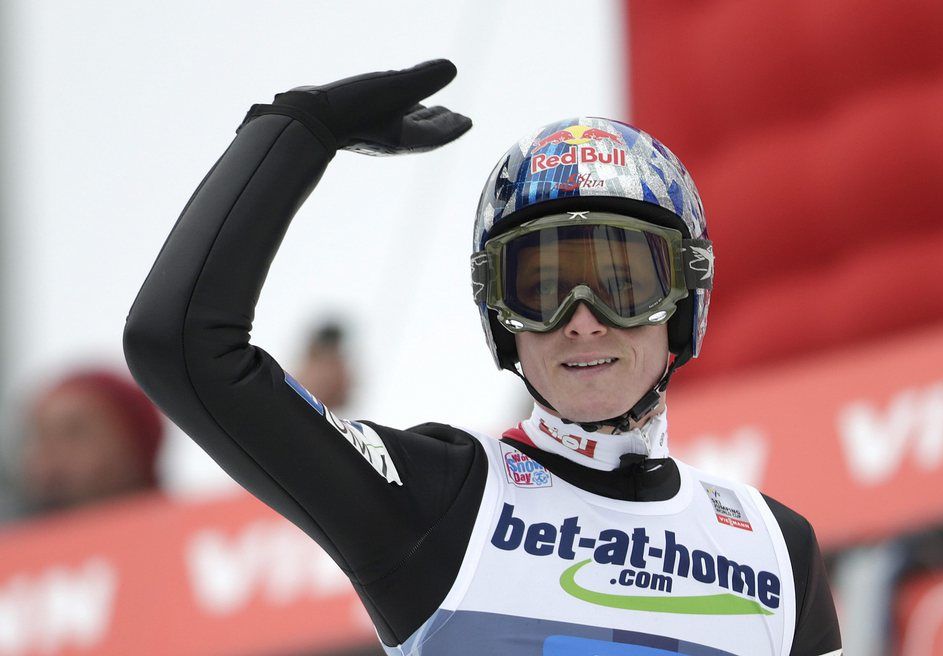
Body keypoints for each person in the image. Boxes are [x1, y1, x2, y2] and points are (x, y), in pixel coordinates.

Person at [124, 60, 842, 655]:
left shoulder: (776, 550)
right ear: (500, 318)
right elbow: (181, 346)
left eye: (624, 284)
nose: (583, 321)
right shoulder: (441, 503)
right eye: (542, 289)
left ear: (684, 297)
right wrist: (295, 132)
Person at [17, 368, 164, 516]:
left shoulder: (182, 531)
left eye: (73, 433)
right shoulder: (13, 535)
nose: (49, 456)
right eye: (41, 437)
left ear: (133, 444)